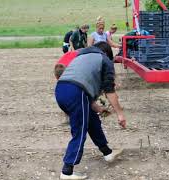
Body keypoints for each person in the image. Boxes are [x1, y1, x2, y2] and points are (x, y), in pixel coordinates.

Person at [55, 41, 127, 180]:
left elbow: (85, 93)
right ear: (106, 52)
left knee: (92, 120)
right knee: (80, 131)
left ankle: (107, 153)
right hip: (75, 91)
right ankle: (67, 171)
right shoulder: (104, 60)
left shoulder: (81, 56)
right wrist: (120, 114)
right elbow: (109, 91)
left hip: (61, 90)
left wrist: (99, 109)